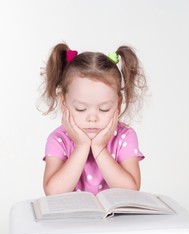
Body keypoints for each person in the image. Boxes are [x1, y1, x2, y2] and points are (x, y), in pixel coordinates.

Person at [40, 42, 147, 196]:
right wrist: (81, 146)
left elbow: (131, 190)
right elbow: (53, 192)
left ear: (117, 105)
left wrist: (99, 148)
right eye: (81, 109)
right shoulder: (58, 139)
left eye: (104, 109)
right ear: (64, 104)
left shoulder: (125, 136)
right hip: (73, 220)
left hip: (115, 220)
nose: (92, 118)